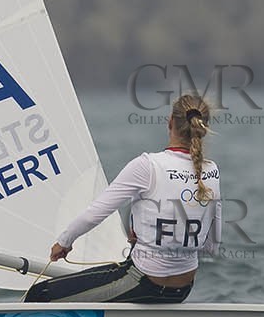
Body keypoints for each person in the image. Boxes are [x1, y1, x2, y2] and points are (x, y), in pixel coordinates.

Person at [25, 93, 221, 304]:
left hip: (144, 282)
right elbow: (212, 245)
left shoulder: (147, 165)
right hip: (183, 289)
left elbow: (95, 213)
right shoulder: (211, 170)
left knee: (40, 294)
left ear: (170, 122)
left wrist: (64, 242)